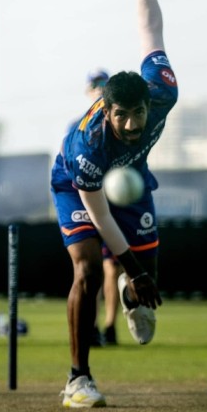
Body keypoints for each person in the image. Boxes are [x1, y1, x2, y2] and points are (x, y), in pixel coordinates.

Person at [51, 0, 178, 408]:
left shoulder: (161, 90)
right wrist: (127, 265)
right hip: (78, 185)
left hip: (132, 176)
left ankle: (130, 295)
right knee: (85, 271)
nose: (131, 123)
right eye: (122, 116)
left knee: (146, 279)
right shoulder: (86, 144)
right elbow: (99, 214)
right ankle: (77, 379)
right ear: (107, 109)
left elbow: (150, 26)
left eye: (138, 114)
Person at [84, 68, 123, 347]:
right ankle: (91, 327)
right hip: (87, 204)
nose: (98, 89)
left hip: (113, 207)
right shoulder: (79, 126)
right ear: (88, 91)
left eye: (103, 84)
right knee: (90, 269)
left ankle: (110, 327)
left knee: (112, 269)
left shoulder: (119, 127)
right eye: (94, 85)